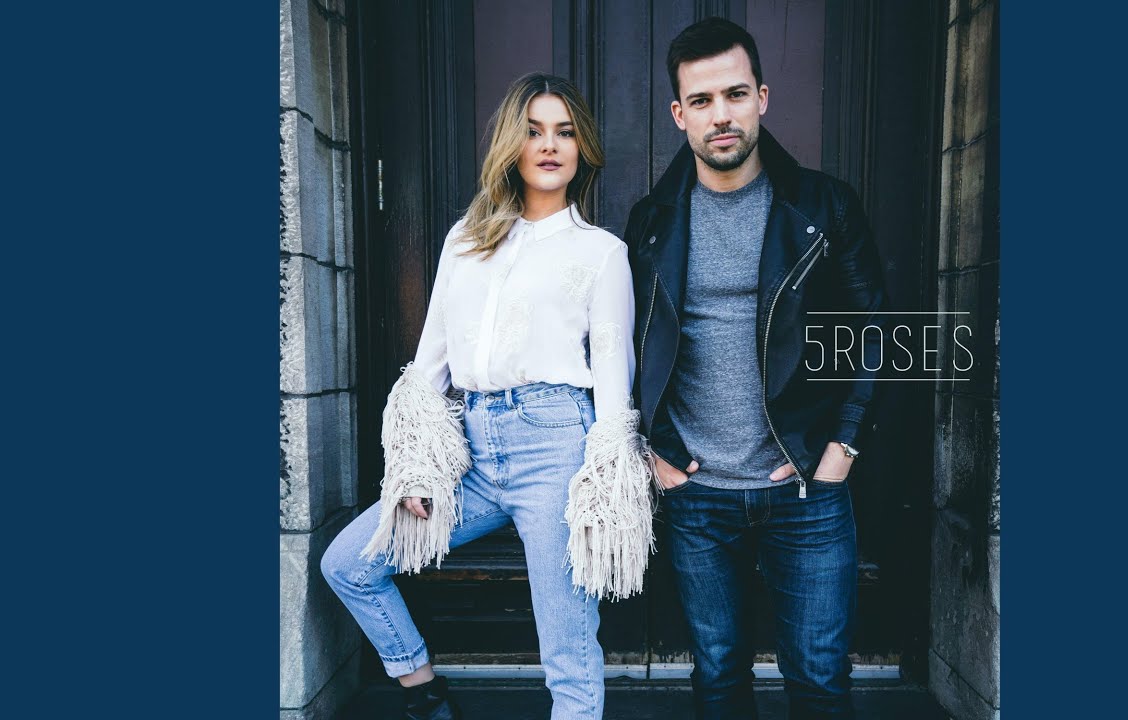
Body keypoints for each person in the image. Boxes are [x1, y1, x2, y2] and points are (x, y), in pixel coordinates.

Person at [322, 72, 653, 720]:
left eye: (564, 132)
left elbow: (615, 376)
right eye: (534, 131)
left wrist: (605, 487)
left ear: (581, 147)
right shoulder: (465, 242)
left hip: (556, 448)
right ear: (511, 144)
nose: (549, 145)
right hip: (469, 455)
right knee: (347, 564)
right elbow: (430, 365)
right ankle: (424, 693)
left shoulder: (601, 253)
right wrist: (415, 466)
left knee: (568, 651)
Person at [622, 18, 886, 720]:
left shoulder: (825, 206)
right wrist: (651, 446)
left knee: (819, 681)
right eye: (701, 100)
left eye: (735, 94)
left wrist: (844, 443)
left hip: (806, 487)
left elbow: (876, 329)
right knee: (717, 679)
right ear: (678, 114)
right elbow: (622, 343)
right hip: (697, 494)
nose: (721, 115)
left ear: (762, 98)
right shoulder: (649, 223)